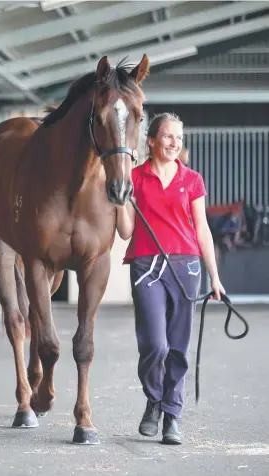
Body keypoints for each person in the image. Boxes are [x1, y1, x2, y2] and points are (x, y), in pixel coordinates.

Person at [116, 112, 225, 445]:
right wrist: (120, 202)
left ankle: (171, 416)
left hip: (186, 266)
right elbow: (125, 232)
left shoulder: (192, 180)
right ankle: (154, 399)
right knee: (155, 344)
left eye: (178, 137)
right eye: (167, 136)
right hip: (146, 265)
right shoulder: (134, 177)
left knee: (178, 346)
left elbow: (202, 230)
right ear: (151, 140)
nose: (174, 143)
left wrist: (214, 277)